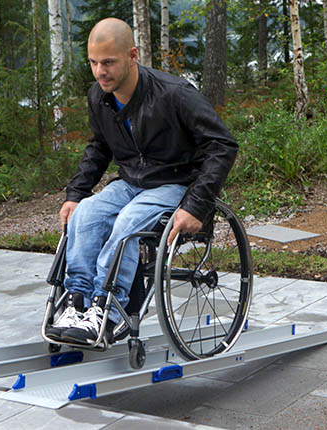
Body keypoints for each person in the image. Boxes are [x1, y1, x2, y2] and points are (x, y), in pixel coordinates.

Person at [46, 17, 238, 345]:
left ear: (132, 55)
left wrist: (196, 204)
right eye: (93, 63)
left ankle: (109, 306)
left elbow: (223, 145)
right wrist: (76, 193)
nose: (100, 71)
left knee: (129, 222)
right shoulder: (99, 97)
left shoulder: (174, 94)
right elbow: (100, 146)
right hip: (130, 182)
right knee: (85, 215)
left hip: (175, 183)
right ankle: (77, 302)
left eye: (108, 62)